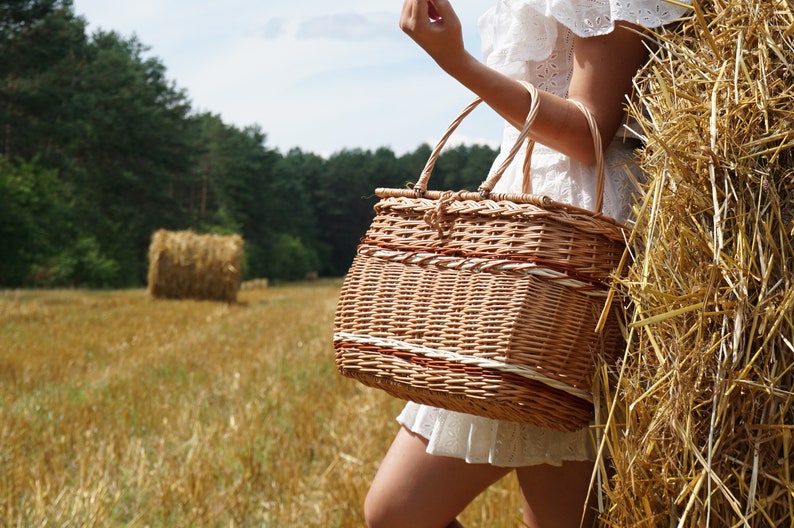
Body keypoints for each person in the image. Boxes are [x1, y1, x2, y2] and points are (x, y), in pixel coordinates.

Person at [363, 1, 692, 527]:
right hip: (521, 233)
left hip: (576, 243)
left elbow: (587, 133)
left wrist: (457, 62)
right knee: (396, 512)